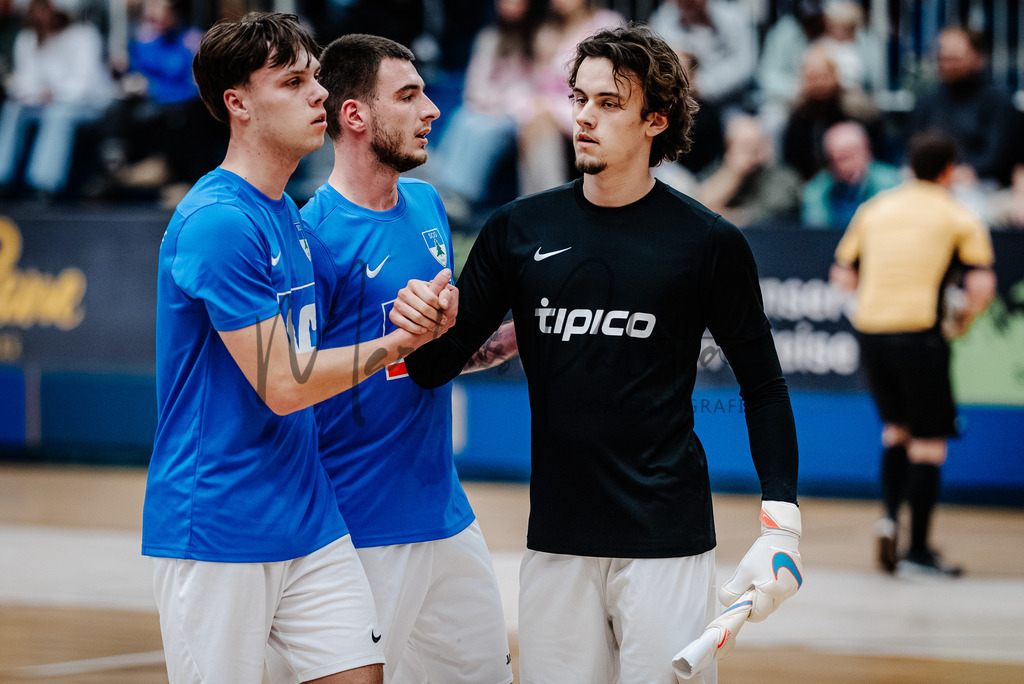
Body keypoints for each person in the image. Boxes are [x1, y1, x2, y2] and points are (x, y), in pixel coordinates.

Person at [402, 24, 803, 684]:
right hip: (556, 540)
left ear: (655, 121)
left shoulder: (707, 243)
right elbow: (430, 367)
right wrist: (419, 322)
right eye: (578, 98)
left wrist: (780, 523)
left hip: (665, 541)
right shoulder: (516, 230)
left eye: (608, 103)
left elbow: (762, 385)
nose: (583, 117)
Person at [142, 13, 456, 684]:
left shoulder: (286, 215)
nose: (317, 93)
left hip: (308, 515)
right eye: (292, 81)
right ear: (239, 103)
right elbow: (282, 384)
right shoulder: (220, 223)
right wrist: (400, 341)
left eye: (315, 77)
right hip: (220, 520)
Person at [298, 33, 514, 684]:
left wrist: (530, 327)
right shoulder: (311, 236)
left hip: (445, 516)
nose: (433, 110)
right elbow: (287, 388)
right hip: (357, 530)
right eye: (410, 95)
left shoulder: (428, 205)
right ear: (355, 115)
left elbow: (440, 359)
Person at [830, 129, 997, 577]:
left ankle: (888, 518)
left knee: (895, 432)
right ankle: (919, 551)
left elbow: (842, 277)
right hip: (921, 336)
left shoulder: (875, 208)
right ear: (949, 170)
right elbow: (981, 285)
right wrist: (959, 322)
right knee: (928, 444)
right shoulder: (958, 216)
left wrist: (867, 312)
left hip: (872, 334)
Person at [0, 0, 113, 197]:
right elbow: (25, 81)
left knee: (58, 114)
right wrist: (37, 94)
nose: (41, 14)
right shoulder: (28, 38)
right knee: (13, 109)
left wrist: (54, 93)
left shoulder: (84, 36)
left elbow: (84, 86)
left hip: (87, 106)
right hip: (43, 104)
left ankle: (44, 183)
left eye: (46, 8)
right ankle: (3, 177)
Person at [908, 27, 1019, 189]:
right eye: (942, 58)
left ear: (977, 58)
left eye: (954, 59)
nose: (947, 64)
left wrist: (960, 172)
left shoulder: (999, 102)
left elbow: (999, 155)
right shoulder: (927, 100)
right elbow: (910, 145)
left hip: (982, 184)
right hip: (929, 182)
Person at [649, 0, 758, 114]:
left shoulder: (733, 16)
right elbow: (658, 54)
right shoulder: (666, 17)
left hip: (730, 104)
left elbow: (743, 66)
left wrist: (702, 85)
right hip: (680, 100)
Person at [695, 113, 802, 228]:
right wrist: (734, 173)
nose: (751, 153)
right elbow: (699, 209)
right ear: (729, 147)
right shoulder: (717, 172)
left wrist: (722, 216)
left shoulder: (783, 177)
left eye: (756, 145)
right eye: (744, 146)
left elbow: (765, 216)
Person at [802, 120, 901, 230]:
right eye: (839, 159)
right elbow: (815, 232)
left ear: (866, 151)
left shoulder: (891, 184)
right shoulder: (817, 189)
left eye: (850, 156)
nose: (845, 166)